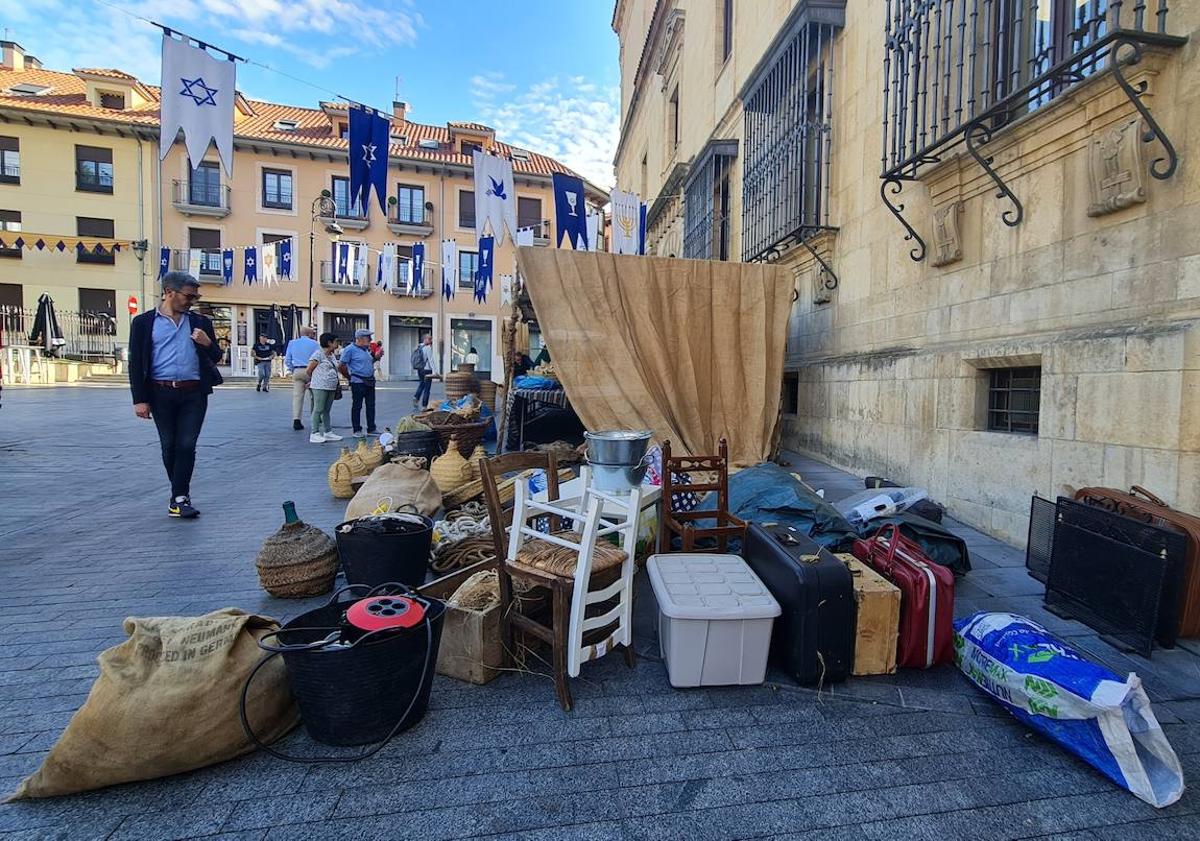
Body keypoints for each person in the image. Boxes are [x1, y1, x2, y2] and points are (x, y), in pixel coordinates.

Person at [128, 271, 222, 519]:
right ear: (169, 292)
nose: (192, 301)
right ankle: (178, 494)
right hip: (160, 392)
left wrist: (207, 343)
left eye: (195, 296)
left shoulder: (201, 323)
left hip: (193, 392)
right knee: (169, 445)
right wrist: (139, 399)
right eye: (189, 296)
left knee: (186, 444)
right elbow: (136, 362)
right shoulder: (143, 323)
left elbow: (216, 357)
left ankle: (180, 497)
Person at [338, 328, 378, 437]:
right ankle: (357, 430)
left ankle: (371, 428)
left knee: (371, 405)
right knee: (357, 406)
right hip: (358, 381)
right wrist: (349, 377)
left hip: (369, 380)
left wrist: (377, 357)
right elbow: (341, 365)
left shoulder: (366, 350)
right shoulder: (349, 350)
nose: (370, 339)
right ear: (360, 339)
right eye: (368, 337)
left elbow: (368, 362)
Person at [305, 332, 343, 444]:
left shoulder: (332, 355)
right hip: (320, 386)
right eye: (336, 341)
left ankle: (328, 431)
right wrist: (313, 380)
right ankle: (314, 433)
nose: (337, 344)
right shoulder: (318, 354)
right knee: (318, 409)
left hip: (331, 386)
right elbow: (309, 370)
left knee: (326, 410)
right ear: (329, 343)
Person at [284, 326, 319, 430]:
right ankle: (315, 417)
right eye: (313, 333)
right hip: (311, 370)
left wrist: (292, 368)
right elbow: (317, 358)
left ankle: (296, 419)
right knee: (315, 396)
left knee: (297, 397)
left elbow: (287, 359)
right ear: (309, 334)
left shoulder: (292, 343)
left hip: (297, 370)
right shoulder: (315, 344)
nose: (313, 335)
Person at [413, 333, 437, 409]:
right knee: (427, 388)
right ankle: (424, 405)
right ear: (425, 339)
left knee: (421, 384)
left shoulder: (419, 346)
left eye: (431, 339)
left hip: (420, 369)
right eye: (429, 339)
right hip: (427, 370)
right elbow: (431, 360)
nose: (431, 340)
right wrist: (435, 371)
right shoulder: (428, 347)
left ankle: (416, 397)